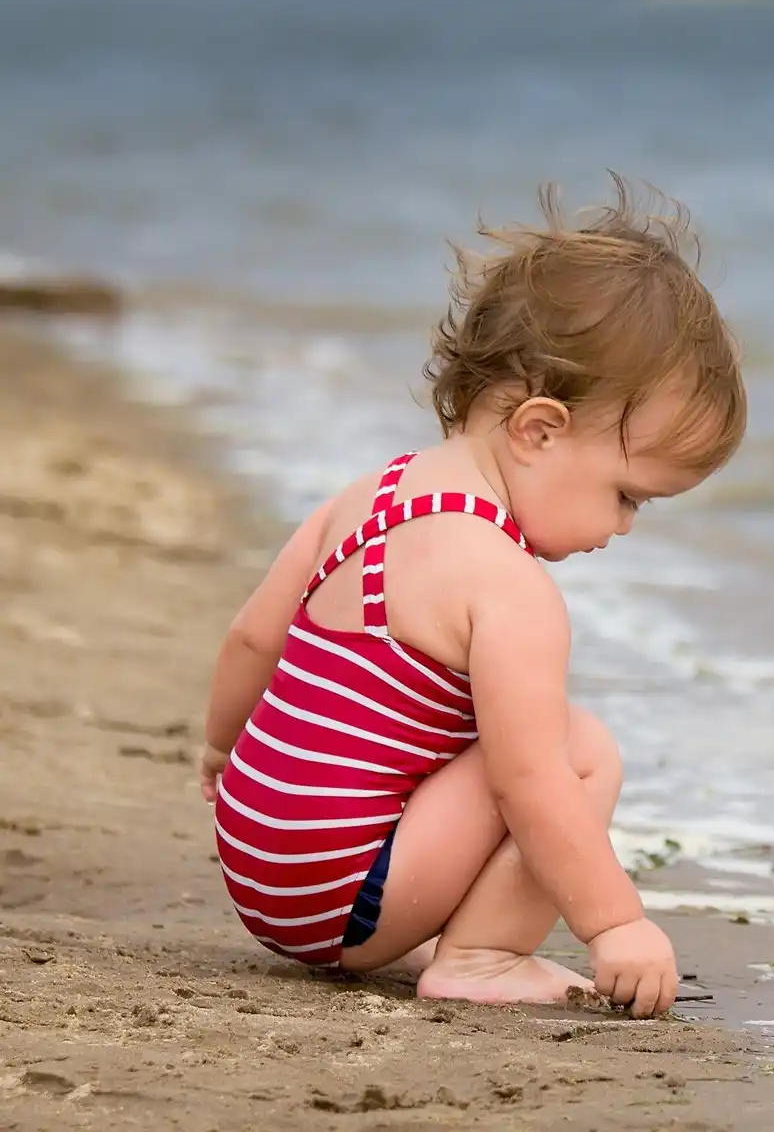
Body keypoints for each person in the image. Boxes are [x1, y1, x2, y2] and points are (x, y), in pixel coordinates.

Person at [196, 177, 745, 1017]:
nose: (626, 527)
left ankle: (424, 927)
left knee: (483, 742)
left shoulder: (369, 494)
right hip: (339, 902)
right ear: (538, 430)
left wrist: (220, 753)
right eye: (628, 495)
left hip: (251, 860)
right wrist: (617, 925)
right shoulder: (507, 584)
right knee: (578, 747)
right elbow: (529, 783)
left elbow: (250, 641)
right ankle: (484, 956)